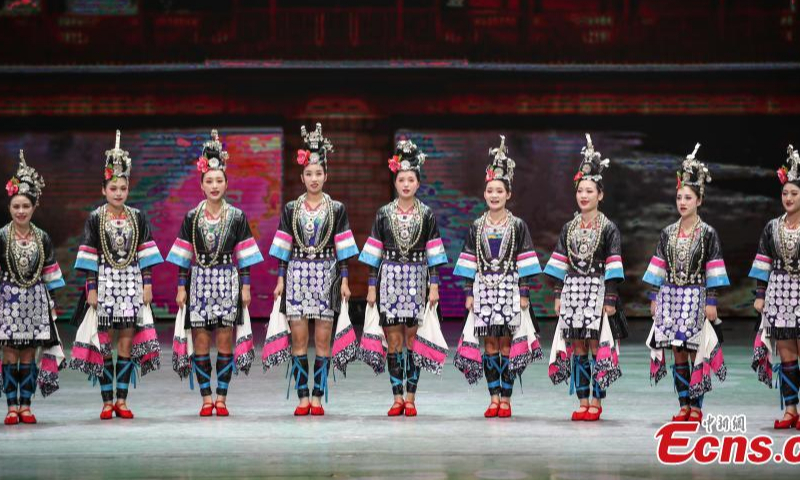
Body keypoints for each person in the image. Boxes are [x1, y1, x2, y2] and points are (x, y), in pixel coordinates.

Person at [167, 130, 264, 417]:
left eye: (219, 180)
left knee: (224, 340)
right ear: (201, 184)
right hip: (198, 282)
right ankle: (205, 397)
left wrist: (245, 286)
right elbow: (184, 256)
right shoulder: (191, 216)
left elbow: (244, 255)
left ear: (226, 183)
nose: (214, 185)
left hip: (226, 280)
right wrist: (180, 286)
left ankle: (221, 397)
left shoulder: (236, 216)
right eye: (209, 181)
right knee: (199, 341)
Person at [73, 131, 163, 420]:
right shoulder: (95, 218)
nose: (118, 192)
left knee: (126, 341)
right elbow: (89, 256)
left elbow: (146, 254)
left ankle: (121, 400)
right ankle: (105, 400)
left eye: (122, 188)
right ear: (104, 189)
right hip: (104, 283)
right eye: (113, 188)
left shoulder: (138, 217)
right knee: (104, 342)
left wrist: (147, 284)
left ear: (128, 188)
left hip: (131, 284)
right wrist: (91, 288)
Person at [269, 123, 357, 416]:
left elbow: (344, 249)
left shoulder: (337, 208)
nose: (314, 178)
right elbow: (282, 248)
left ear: (326, 176)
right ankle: (302, 396)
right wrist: (280, 279)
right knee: (299, 339)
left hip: (327, 273)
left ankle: (317, 397)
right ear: (302, 176)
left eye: (319, 173)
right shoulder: (291, 209)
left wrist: (344, 280)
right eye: (309, 173)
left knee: (322, 339)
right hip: (295, 275)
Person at [453, 135, 541, 418]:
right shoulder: (476, 226)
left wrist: (524, 293)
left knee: (507, 343)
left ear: (508, 194)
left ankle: (507, 397)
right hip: (484, 289)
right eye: (490, 190)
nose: (494, 195)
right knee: (489, 343)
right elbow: (468, 260)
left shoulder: (517, 225)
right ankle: (493, 397)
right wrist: (468, 292)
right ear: (485, 193)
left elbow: (525, 262)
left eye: (499, 191)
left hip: (509, 289)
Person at [359, 139, 448, 417]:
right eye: (401, 179)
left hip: (417, 278)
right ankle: (397, 396)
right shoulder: (383, 213)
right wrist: (371, 287)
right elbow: (374, 254)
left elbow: (434, 253)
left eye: (411, 179)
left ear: (418, 183)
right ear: (395, 182)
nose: (406, 184)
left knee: (413, 340)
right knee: (394, 340)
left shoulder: (427, 214)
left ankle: (411, 396)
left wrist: (434, 286)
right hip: (389, 281)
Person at [642, 143, 729, 423]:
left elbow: (713, 268)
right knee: (677, 351)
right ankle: (683, 404)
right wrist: (654, 297)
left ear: (699, 200)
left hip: (696, 297)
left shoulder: (708, 234)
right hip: (671, 296)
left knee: (695, 351)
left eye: (688, 198)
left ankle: (697, 406)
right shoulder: (667, 233)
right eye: (679, 197)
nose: (682, 202)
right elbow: (658, 266)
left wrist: (712, 301)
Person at [544, 134, 624, 422]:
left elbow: (614, 264)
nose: (584, 195)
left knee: (596, 345)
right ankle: (582, 400)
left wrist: (610, 298)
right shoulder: (568, 228)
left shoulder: (609, 228)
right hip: (573, 291)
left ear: (600, 194)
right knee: (577, 345)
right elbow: (560, 263)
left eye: (590, 191)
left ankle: (597, 401)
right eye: (580, 190)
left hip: (598, 291)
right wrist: (557, 295)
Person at [2, 150, 65, 425]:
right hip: (7, 302)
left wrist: (51, 303)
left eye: (25, 206)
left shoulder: (43, 238)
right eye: (16, 206)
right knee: (9, 353)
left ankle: (25, 405)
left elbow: (50, 273)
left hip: (34, 302)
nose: (20, 211)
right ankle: (10, 406)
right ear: (9, 207)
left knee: (28, 353)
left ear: (34, 207)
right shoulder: (1, 236)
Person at [750, 144, 800, 429]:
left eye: (794, 193)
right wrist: (760, 294)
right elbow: (763, 260)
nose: (788, 198)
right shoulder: (772, 227)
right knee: (785, 351)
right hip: (779, 291)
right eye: (785, 193)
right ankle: (790, 409)